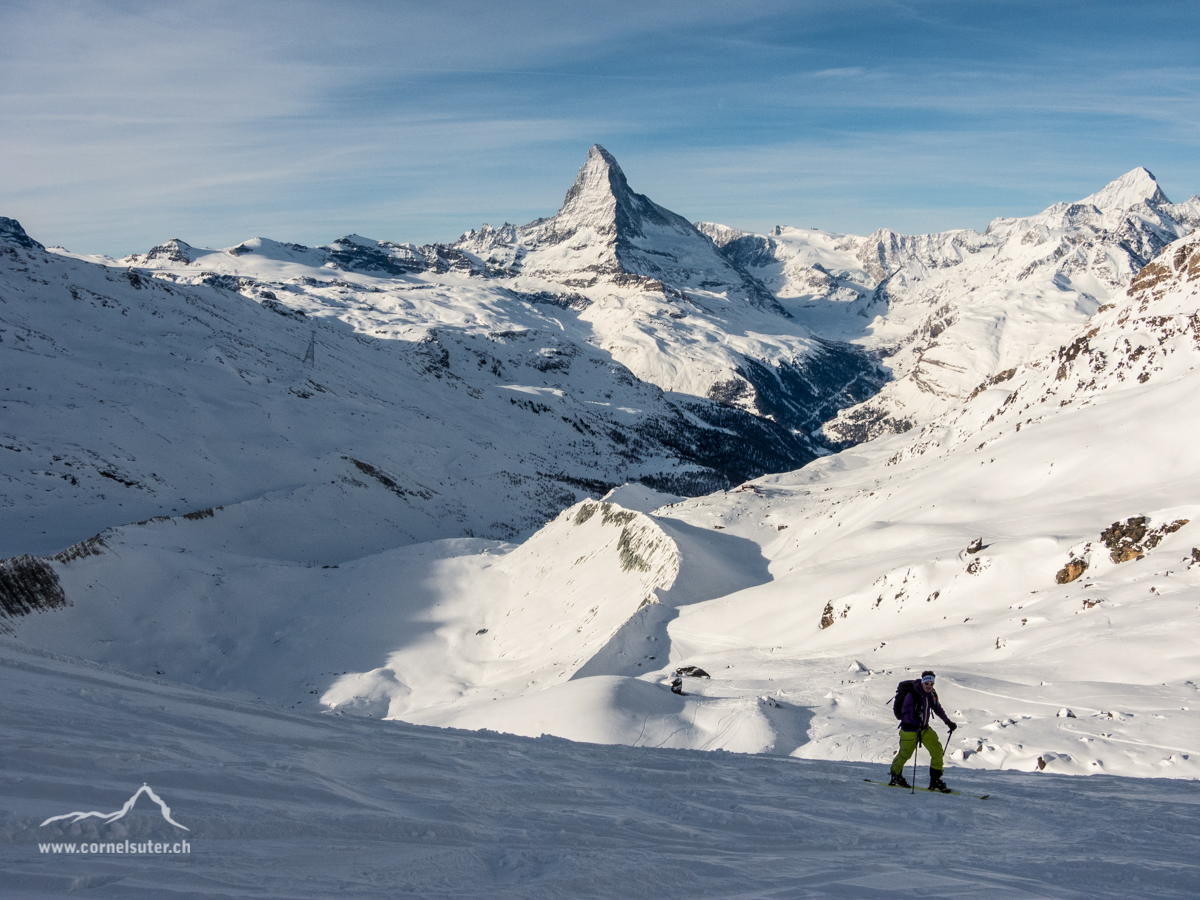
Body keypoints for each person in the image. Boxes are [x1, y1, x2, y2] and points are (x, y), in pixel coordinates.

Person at [889, 670, 957, 792]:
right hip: (910, 730)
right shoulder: (912, 695)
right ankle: (895, 775)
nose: (929, 686)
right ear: (922, 682)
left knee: (937, 751)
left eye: (931, 684)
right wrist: (915, 716)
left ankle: (935, 780)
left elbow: (937, 708)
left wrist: (948, 722)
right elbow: (904, 714)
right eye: (927, 683)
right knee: (905, 754)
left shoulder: (931, 694)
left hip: (924, 729)